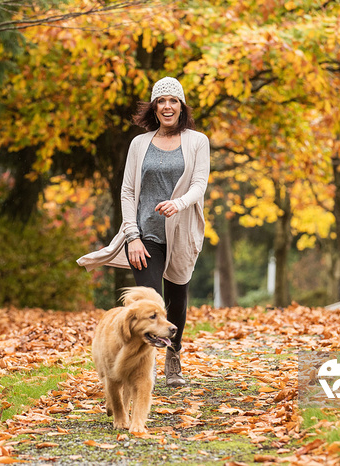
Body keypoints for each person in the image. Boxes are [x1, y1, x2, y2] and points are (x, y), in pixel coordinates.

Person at [77, 76, 210, 387]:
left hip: (181, 232)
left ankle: (173, 353)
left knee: (176, 301)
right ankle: (141, 368)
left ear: (182, 107)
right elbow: (126, 191)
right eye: (161, 101)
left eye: (173, 101)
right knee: (149, 301)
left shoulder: (197, 141)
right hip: (145, 234)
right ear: (154, 107)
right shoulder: (139, 144)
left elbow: (199, 184)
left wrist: (178, 204)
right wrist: (132, 236)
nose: (167, 106)